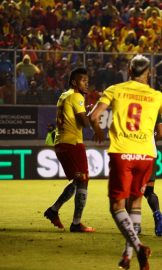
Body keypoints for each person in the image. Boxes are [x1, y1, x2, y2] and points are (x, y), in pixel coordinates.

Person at [88, 55, 162, 270]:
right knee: (136, 203)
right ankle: (127, 255)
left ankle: (139, 247)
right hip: (146, 156)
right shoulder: (157, 95)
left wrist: (97, 131)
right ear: (148, 74)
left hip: (122, 153)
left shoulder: (115, 90)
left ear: (129, 72)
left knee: (117, 206)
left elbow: (94, 116)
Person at [43, 67, 95, 233]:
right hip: (72, 143)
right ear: (74, 82)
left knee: (77, 180)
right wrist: (92, 113)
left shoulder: (64, 95)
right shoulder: (77, 96)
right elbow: (85, 123)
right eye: (82, 80)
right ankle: (76, 223)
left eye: (87, 80)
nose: (86, 83)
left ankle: (53, 210)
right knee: (84, 180)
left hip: (60, 143)